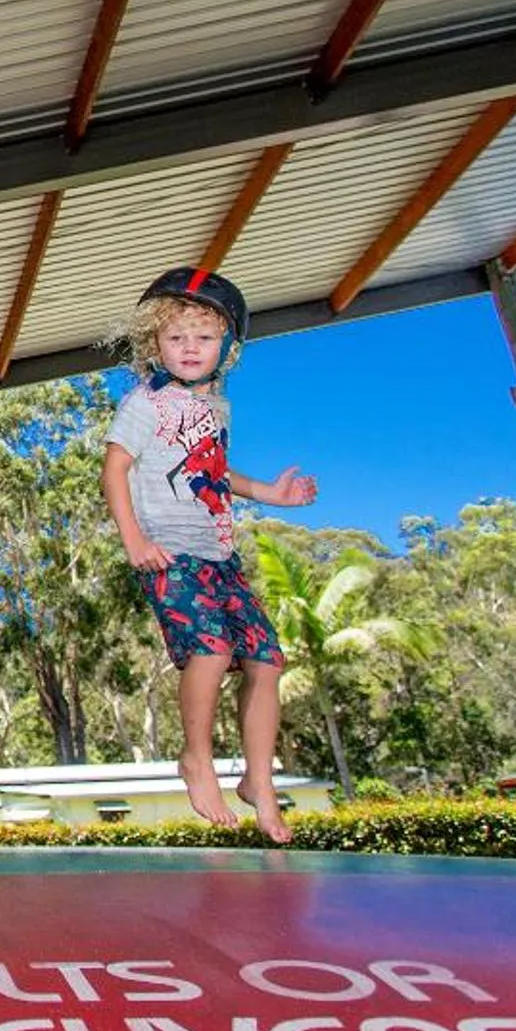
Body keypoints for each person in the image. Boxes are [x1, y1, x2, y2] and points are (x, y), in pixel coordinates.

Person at [102, 267, 316, 843]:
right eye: (177, 337)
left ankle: (258, 782)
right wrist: (133, 540)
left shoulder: (216, 409)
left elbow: (213, 472)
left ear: (226, 347)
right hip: (169, 554)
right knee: (212, 651)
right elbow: (115, 469)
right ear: (155, 345)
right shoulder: (144, 404)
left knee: (267, 661)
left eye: (203, 337)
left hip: (220, 555)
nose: (190, 348)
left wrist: (270, 493)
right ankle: (196, 757)